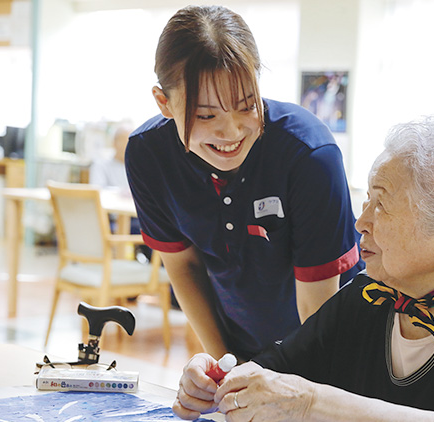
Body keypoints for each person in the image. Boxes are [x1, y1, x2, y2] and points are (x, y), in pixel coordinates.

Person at [173, 113, 434, 421]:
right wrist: (216, 381)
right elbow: (273, 369)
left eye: (382, 205)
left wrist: (312, 404)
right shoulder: (365, 296)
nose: (361, 223)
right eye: (366, 201)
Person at [125, 5, 364, 361]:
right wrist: (227, 366)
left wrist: (301, 389)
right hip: (244, 342)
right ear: (164, 102)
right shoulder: (149, 155)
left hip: (337, 347)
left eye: (247, 105)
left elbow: (318, 310)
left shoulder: (309, 155)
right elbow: (182, 266)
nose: (232, 132)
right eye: (206, 115)